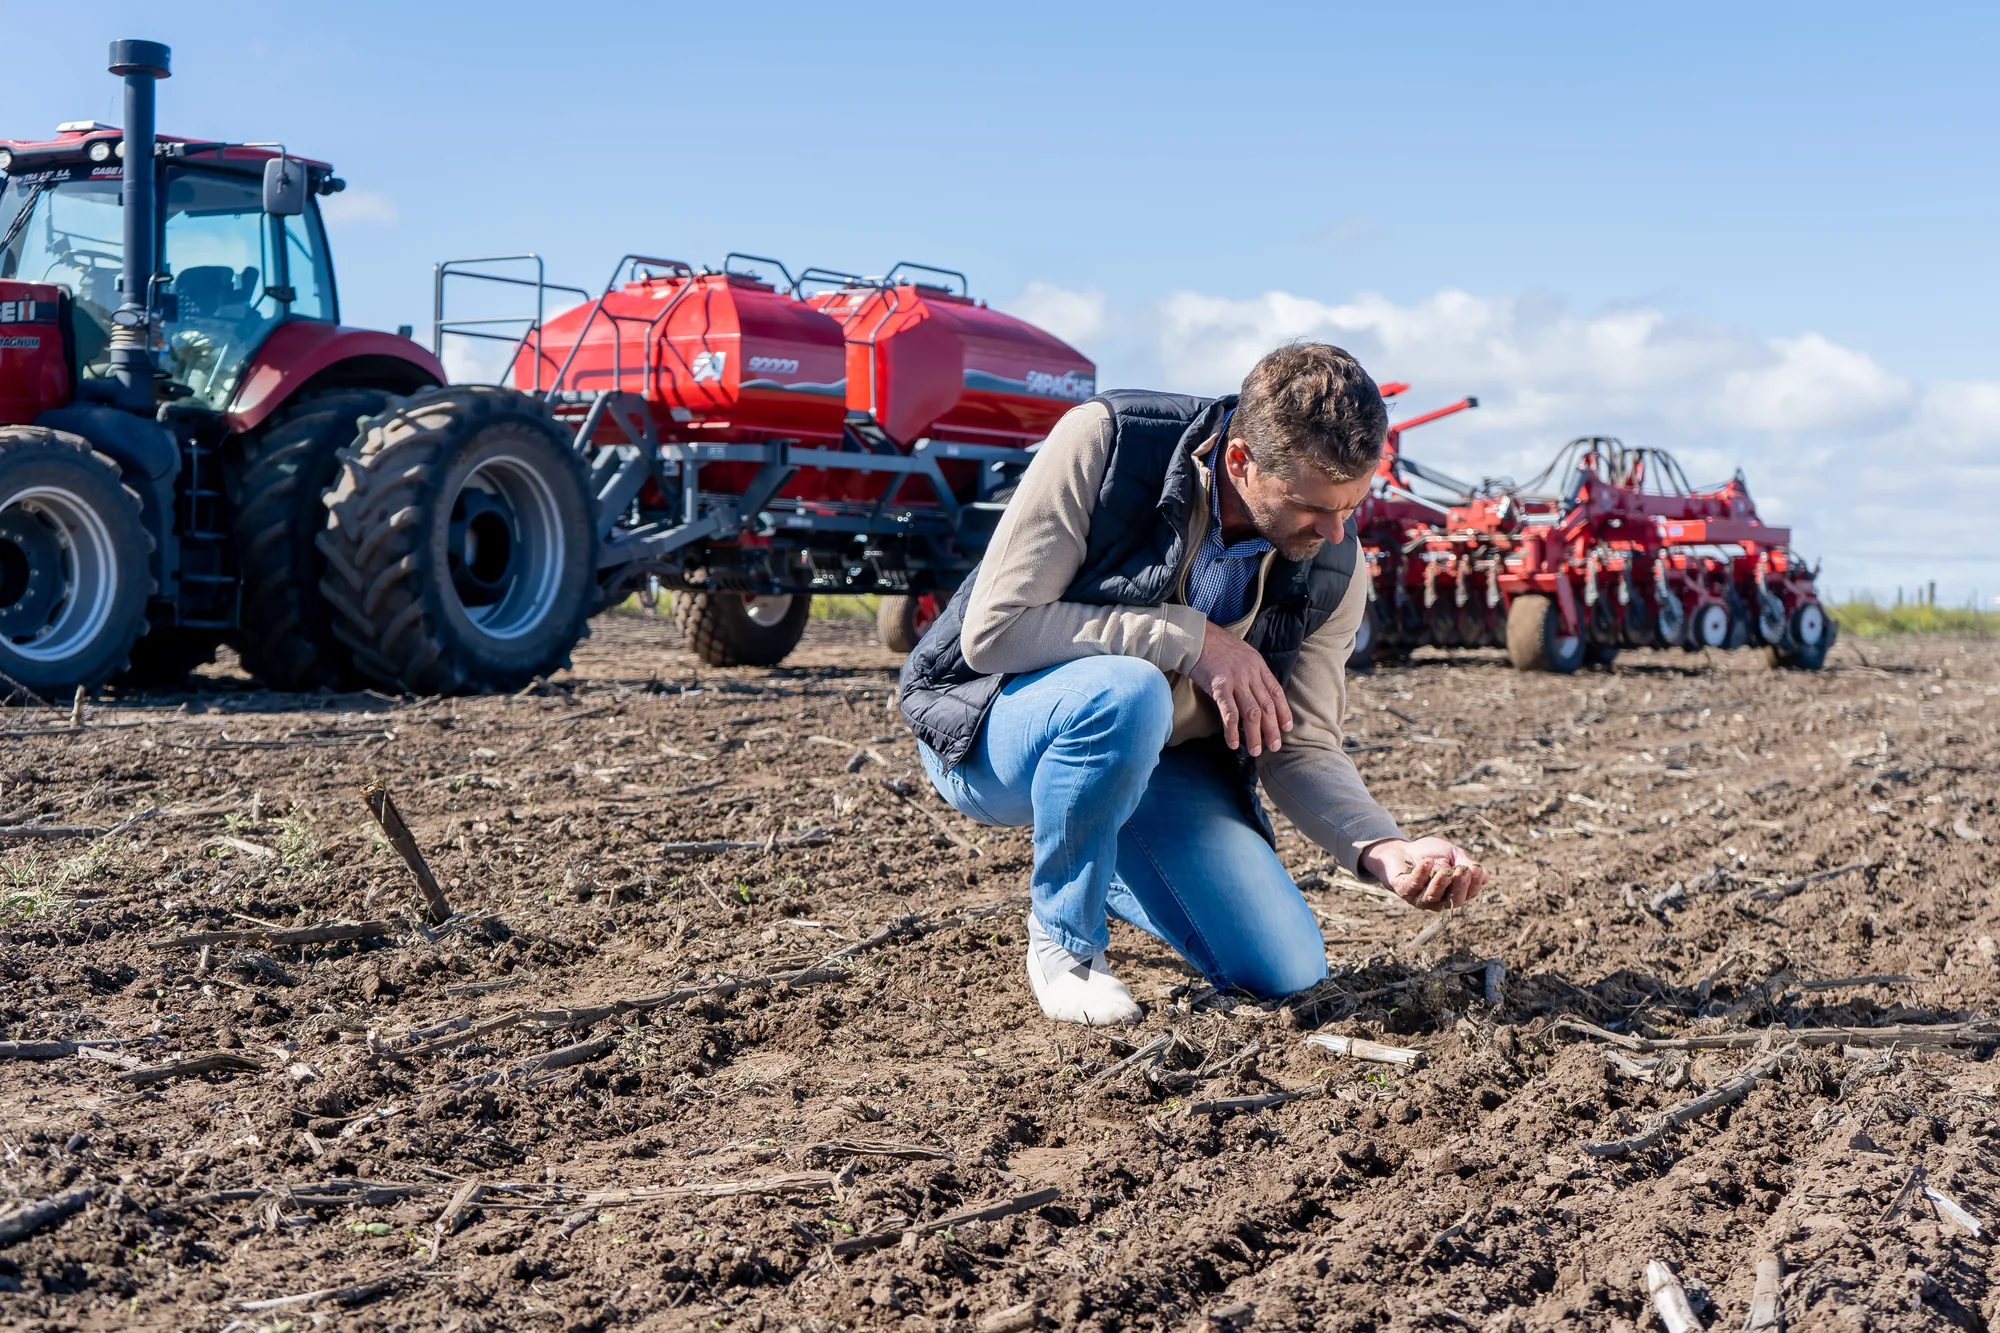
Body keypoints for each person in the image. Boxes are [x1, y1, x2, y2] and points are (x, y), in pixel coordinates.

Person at [898, 342, 1488, 1025]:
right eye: (1311, 507)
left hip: (1161, 762)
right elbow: (996, 631)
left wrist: (1384, 846)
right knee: (1128, 692)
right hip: (992, 727)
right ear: (1240, 461)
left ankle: (1104, 841)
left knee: (1287, 968)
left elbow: (1299, 742)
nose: (1333, 533)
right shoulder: (1109, 444)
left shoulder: (1335, 567)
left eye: (1352, 505)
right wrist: (1188, 638)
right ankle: (1066, 945)